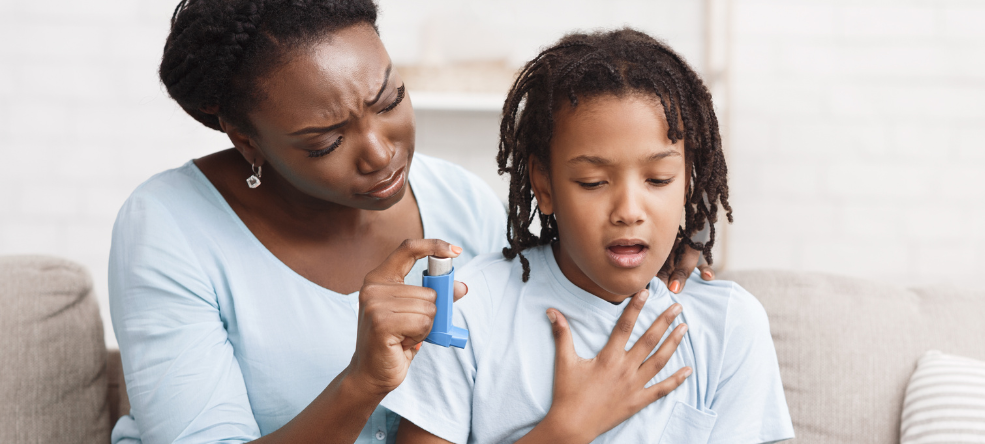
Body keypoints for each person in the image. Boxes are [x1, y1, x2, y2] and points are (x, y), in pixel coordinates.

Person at [108, 1, 711, 443]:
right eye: (324, 141)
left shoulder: (459, 204)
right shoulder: (169, 228)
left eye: (390, 101)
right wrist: (362, 382)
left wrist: (653, 249)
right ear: (248, 142)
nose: (379, 152)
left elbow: (568, 273)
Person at [382, 29, 795, 444]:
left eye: (658, 178)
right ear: (544, 185)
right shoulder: (468, 310)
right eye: (593, 182)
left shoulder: (726, 324)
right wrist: (564, 431)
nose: (629, 211)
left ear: (687, 180)